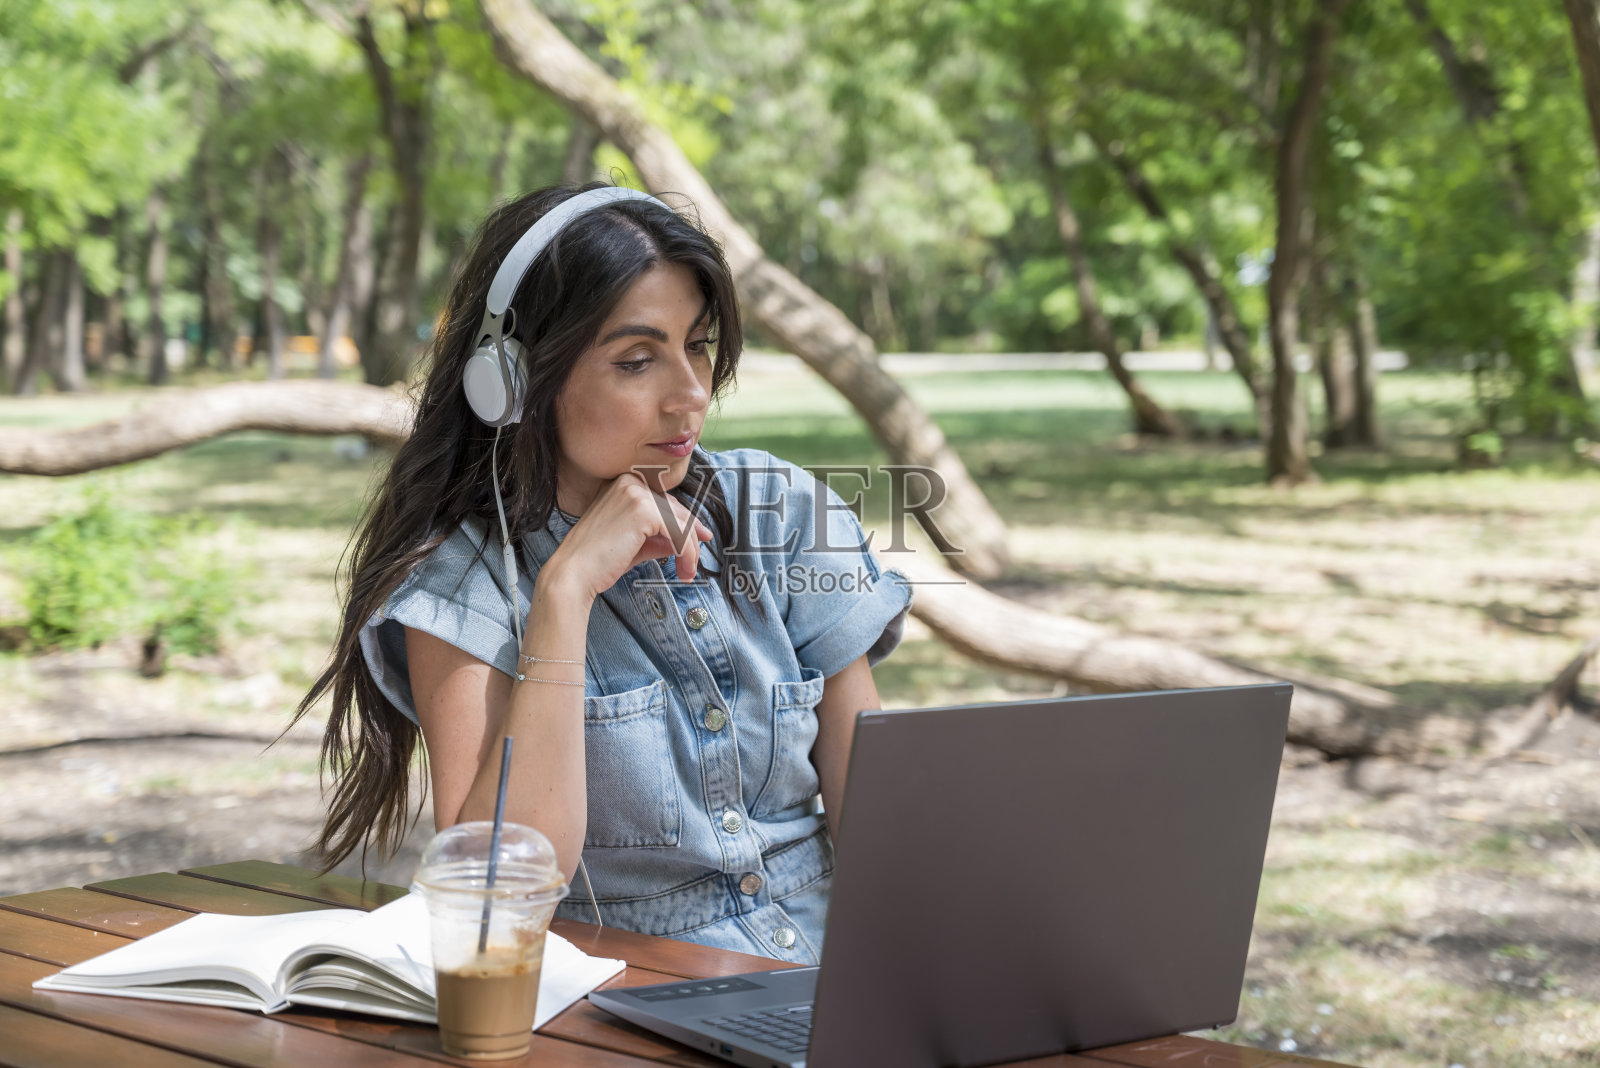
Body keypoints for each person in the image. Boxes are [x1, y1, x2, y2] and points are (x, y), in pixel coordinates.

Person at [295, 182, 911, 964]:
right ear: (515, 379)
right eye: (636, 360)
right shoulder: (466, 579)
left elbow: (877, 822)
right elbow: (497, 899)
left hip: (842, 961)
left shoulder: (775, 509)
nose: (689, 395)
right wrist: (564, 596)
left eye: (697, 345)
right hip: (633, 995)